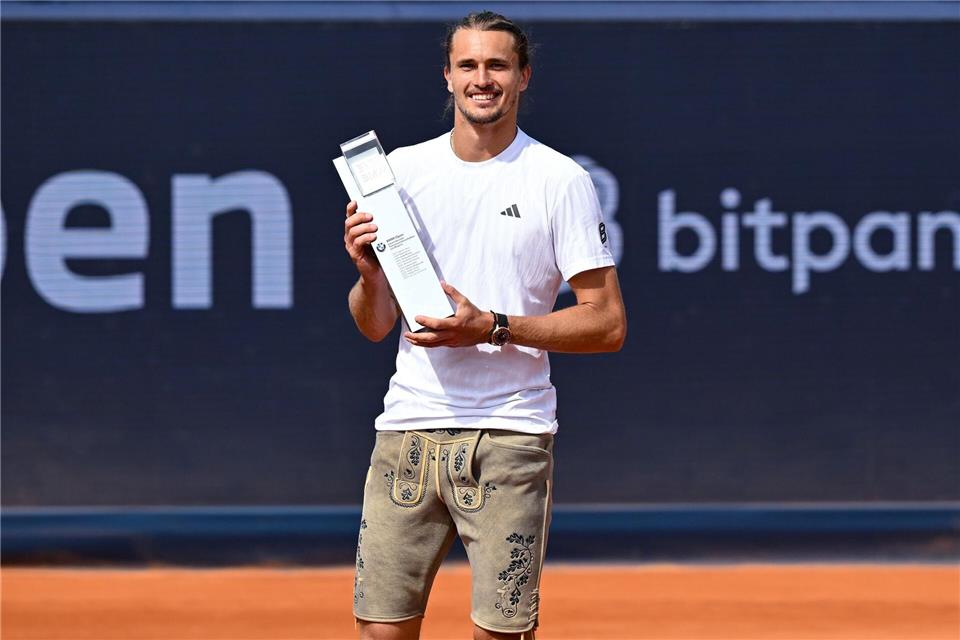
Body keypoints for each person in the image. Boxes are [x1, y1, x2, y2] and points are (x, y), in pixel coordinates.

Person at [342, 12, 626, 640]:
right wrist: (368, 274)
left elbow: (606, 323)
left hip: (510, 438)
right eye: (468, 65)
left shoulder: (560, 181)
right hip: (407, 435)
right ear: (447, 77)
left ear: (523, 77)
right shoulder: (399, 176)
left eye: (497, 65)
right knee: (380, 632)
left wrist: (493, 326)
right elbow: (374, 324)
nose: (482, 79)